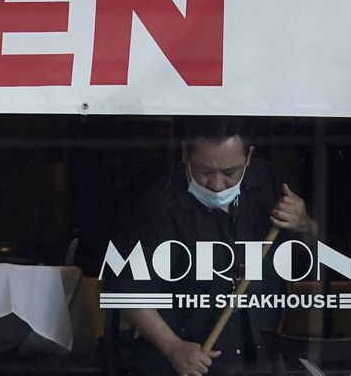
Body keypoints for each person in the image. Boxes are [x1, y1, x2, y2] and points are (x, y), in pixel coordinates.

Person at [115, 119, 318, 376]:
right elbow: (129, 293)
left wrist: (304, 224)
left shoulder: (268, 182)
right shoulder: (159, 206)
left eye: (229, 172)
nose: (217, 183)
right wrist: (174, 347)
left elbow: (311, 247)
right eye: (205, 171)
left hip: (260, 359)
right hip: (189, 364)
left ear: (249, 156)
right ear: (185, 154)